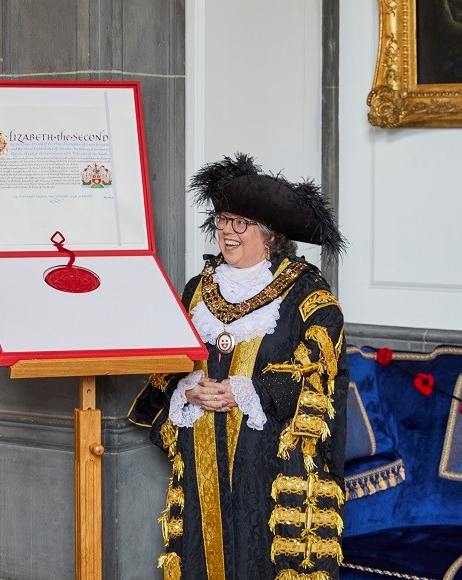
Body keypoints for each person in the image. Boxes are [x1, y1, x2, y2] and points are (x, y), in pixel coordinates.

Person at [129, 153, 349, 579]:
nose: (226, 232)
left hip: (268, 459)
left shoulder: (306, 293)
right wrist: (189, 388)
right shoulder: (197, 288)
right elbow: (170, 356)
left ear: (268, 236)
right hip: (201, 455)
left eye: (239, 223)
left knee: (261, 556)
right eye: (222, 220)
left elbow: (319, 367)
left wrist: (248, 391)